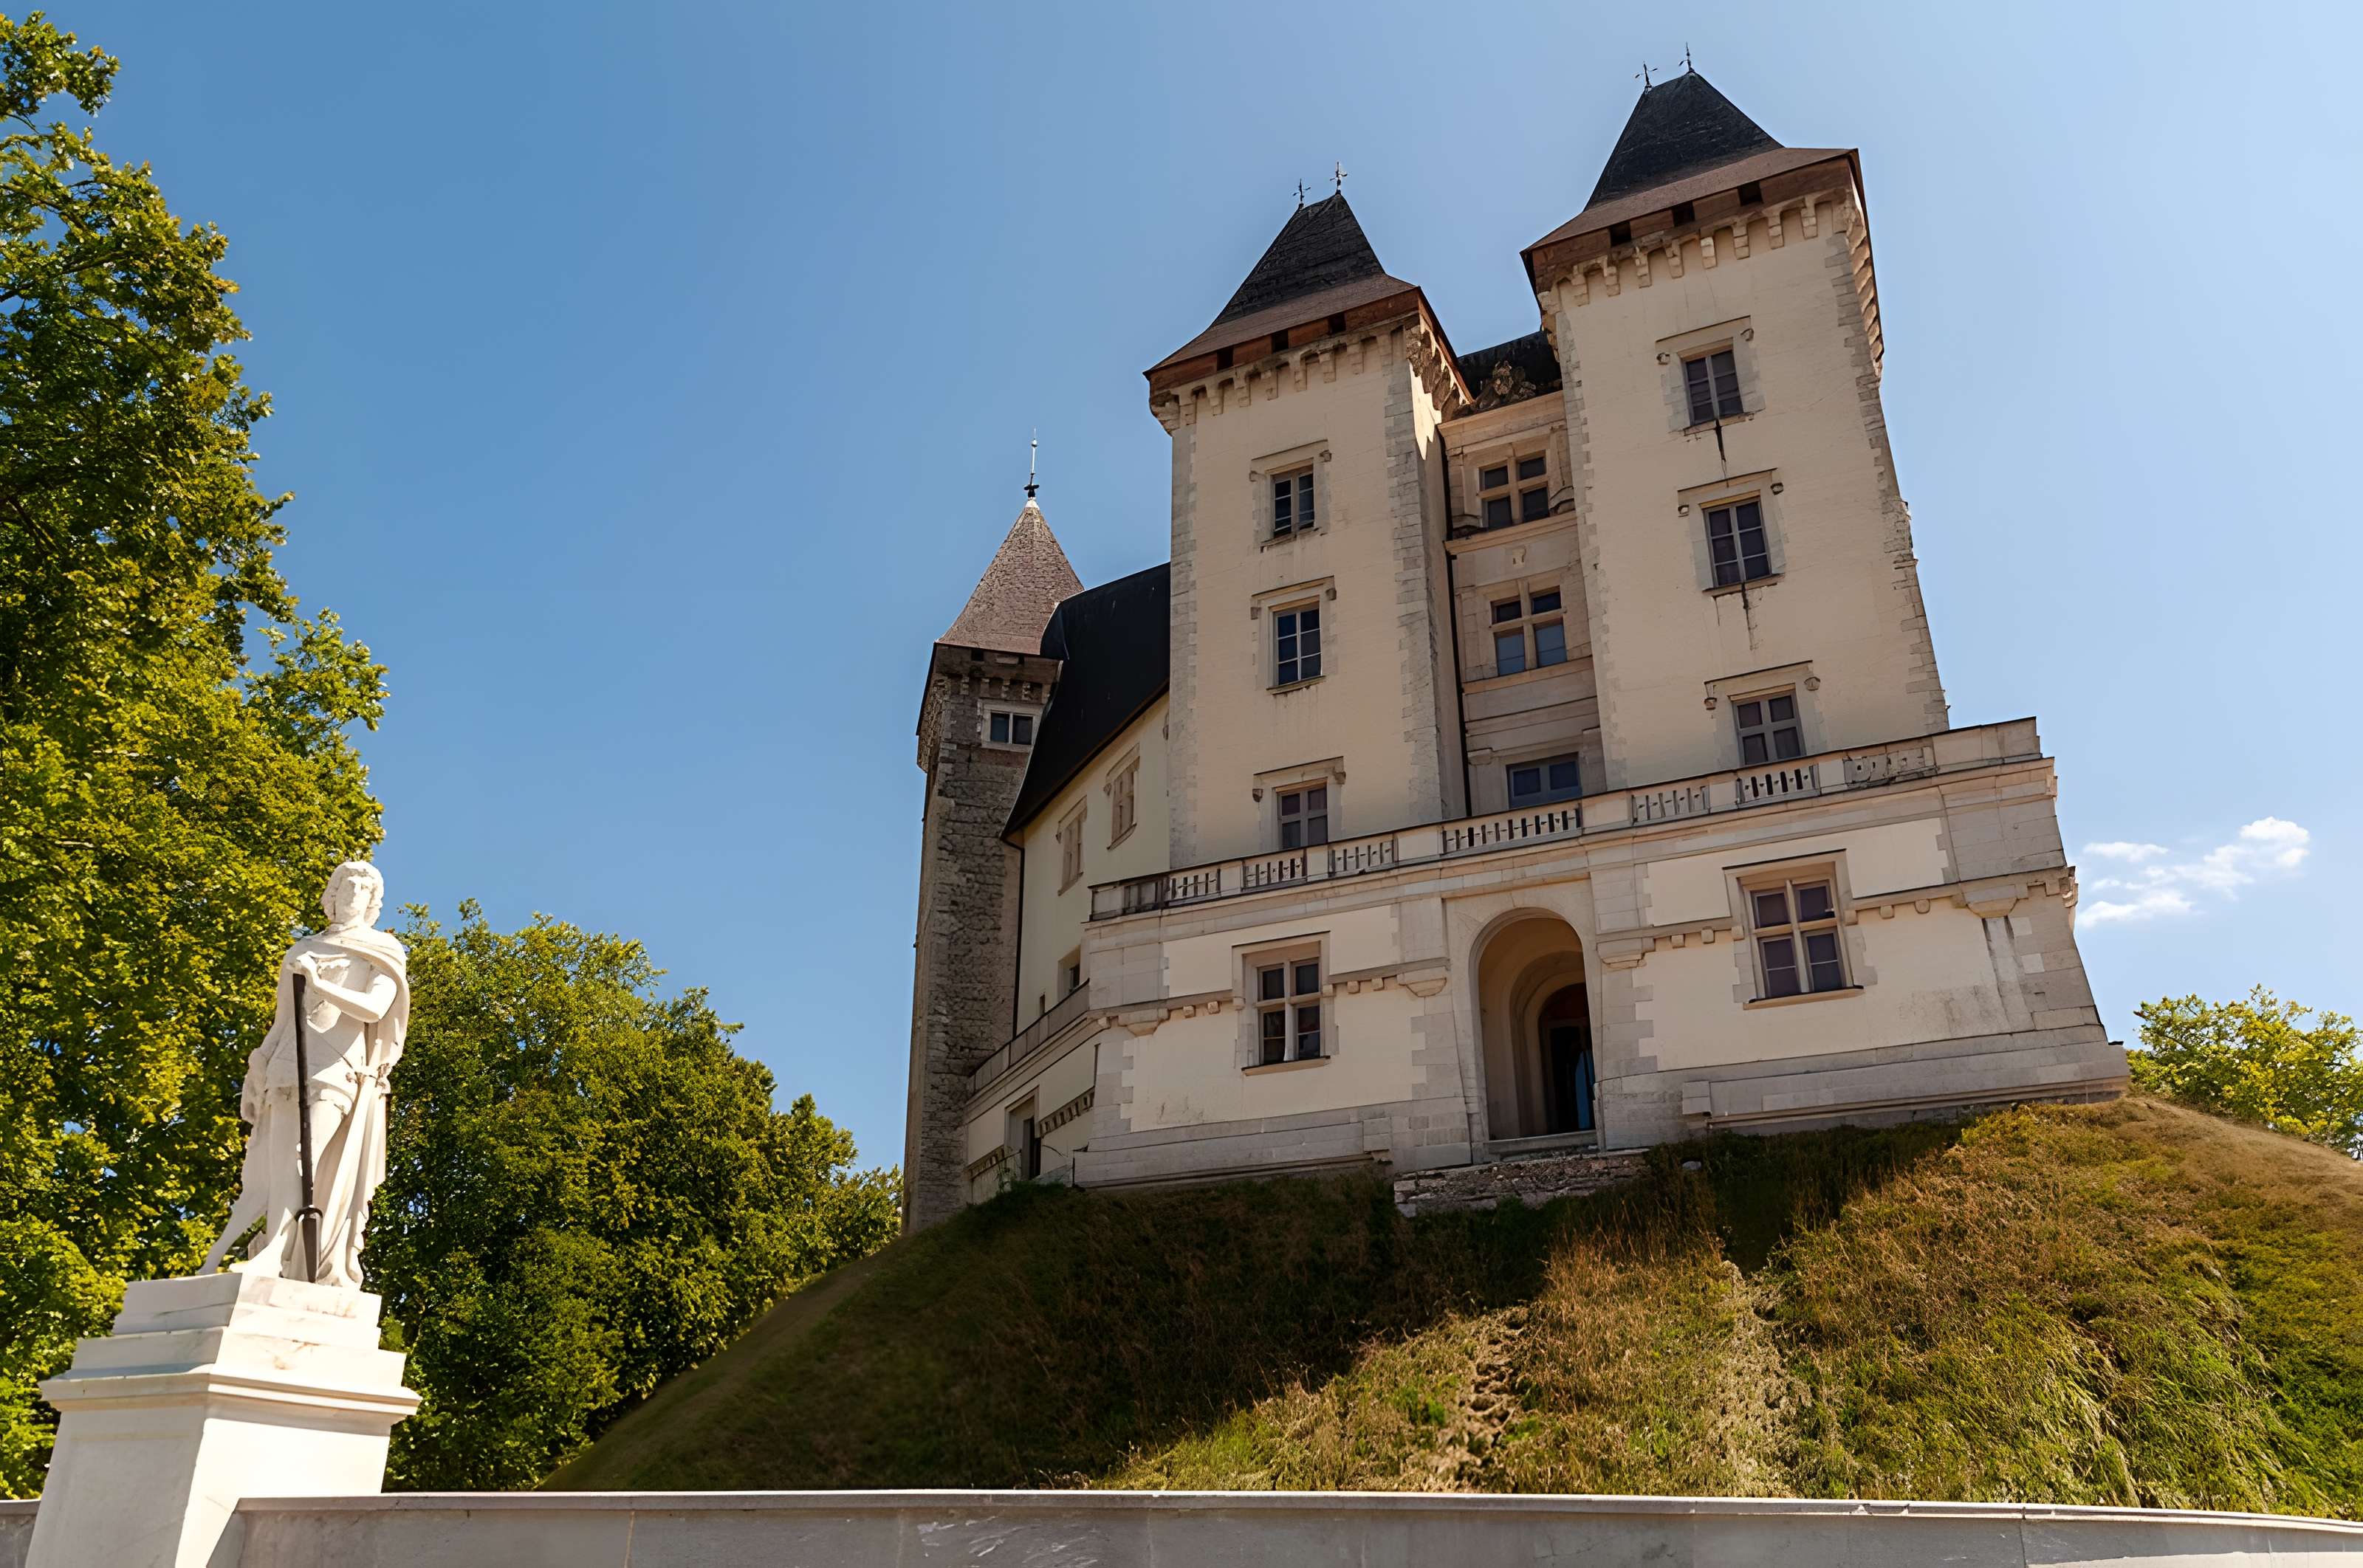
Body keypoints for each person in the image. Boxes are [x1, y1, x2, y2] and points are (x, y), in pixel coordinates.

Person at [200, 860, 409, 1290]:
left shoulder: (382, 950)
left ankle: (275, 1254)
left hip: (337, 1066)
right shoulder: (302, 949)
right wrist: (258, 1064)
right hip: (286, 1063)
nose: (349, 896)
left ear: (373, 902)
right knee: (280, 1164)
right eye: (342, 887)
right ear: (330, 895)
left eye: (360, 890)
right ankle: (272, 1252)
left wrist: (319, 983)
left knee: (304, 1158)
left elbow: (374, 1009)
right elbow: (282, 1022)